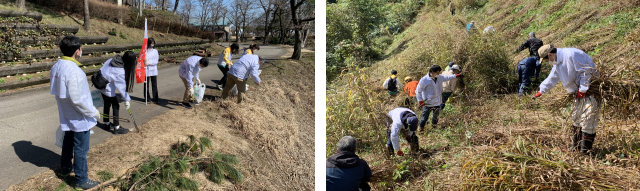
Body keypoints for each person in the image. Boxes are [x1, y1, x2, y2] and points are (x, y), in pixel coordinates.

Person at [49, 35, 101, 190]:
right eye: (81, 48)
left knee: (68, 140)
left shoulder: (56, 66)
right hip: (79, 116)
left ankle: (65, 168)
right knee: (81, 148)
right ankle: (81, 179)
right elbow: (77, 100)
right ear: (78, 51)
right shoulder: (75, 71)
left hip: (66, 113)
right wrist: (93, 112)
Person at [533, 44, 599, 154]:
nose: (547, 62)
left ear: (550, 54)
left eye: (546, 60)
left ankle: (585, 152)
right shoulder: (558, 62)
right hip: (577, 93)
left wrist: (582, 89)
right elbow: (552, 77)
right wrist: (542, 90)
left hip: (590, 91)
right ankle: (576, 147)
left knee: (587, 120)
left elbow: (586, 72)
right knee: (576, 119)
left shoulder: (571, 55)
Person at [100, 51, 137, 135]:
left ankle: (107, 124)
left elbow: (102, 69)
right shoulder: (120, 71)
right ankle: (117, 128)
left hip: (101, 84)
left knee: (107, 104)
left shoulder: (113, 59)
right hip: (107, 88)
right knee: (116, 106)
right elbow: (122, 88)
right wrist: (126, 100)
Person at [416, 65, 462, 130]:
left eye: (439, 72)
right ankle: (421, 128)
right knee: (425, 117)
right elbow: (418, 91)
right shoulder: (424, 80)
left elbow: (448, 77)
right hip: (427, 102)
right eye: (437, 72)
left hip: (437, 101)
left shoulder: (440, 77)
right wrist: (420, 100)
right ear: (432, 72)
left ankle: (434, 127)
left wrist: (456, 76)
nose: (438, 74)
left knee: (435, 116)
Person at [144, 38, 159, 104]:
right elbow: (141, 60)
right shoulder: (144, 51)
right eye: (151, 43)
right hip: (146, 69)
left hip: (153, 70)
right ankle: (147, 98)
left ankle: (155, 98)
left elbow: (156, 61)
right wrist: (144, 60)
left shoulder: (155, 51)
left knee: (154, 84)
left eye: (153, 43)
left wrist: (149, 62)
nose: (152, 44)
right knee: (146, 84)